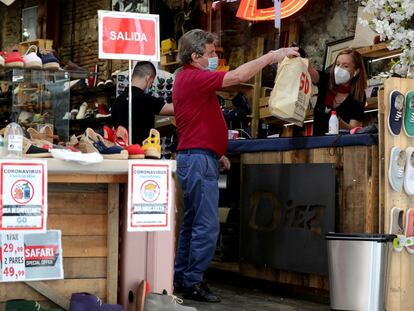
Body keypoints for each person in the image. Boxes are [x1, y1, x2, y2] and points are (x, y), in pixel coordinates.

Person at [172, 29, 299, 303]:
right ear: (195, 57)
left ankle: (183, 277)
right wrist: (272, 56)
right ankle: (193, 282)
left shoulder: (186, 78)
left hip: (197, 156)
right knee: (206, 225)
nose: (215, 58)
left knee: (193, 222)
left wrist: (216, 152)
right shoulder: (195, 76)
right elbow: (240, 76)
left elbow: (196, 121)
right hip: (196, 159)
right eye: (210, 54)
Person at [111, 61, 174, 144]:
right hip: (141, 152)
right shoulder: (145, 100)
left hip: (122, 152)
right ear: (148, 78)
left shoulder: (117, 101)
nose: (150, 85)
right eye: (151, 82)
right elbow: (174, 109)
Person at [308, 48, 368, 136]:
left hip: (341, 145)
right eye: (337, 64)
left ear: (356, 71)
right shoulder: (326, 81)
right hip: (317, 143)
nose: (339, 69)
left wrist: (340, 124)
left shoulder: (359, 95)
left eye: (345, 66)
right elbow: (311, 71)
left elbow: (355, 130)